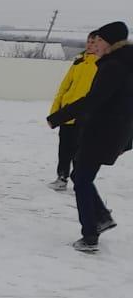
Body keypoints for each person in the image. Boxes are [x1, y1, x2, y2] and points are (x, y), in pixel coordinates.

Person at [48, 22, 132, 253]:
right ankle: (101, 217)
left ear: (111, 42)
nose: (96, 44)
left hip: (102, 132)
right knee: (81, 176)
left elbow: (93, 100)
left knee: (82, 179)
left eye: (100, 41)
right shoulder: (124, 63)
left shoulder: (114, 66)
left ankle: (90, 235)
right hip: (112, 132)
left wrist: (58, 117)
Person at [47, 32, 99, 191]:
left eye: (93, 42)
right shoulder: (78, 62)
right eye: (88, 41)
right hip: (67, 114)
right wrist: (56, 110)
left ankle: (79, 180)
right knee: (64, 149)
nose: (89, 45)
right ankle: (62, 177)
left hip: (85, 116)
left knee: (81, 151)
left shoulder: (102, 64)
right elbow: (64, 86)